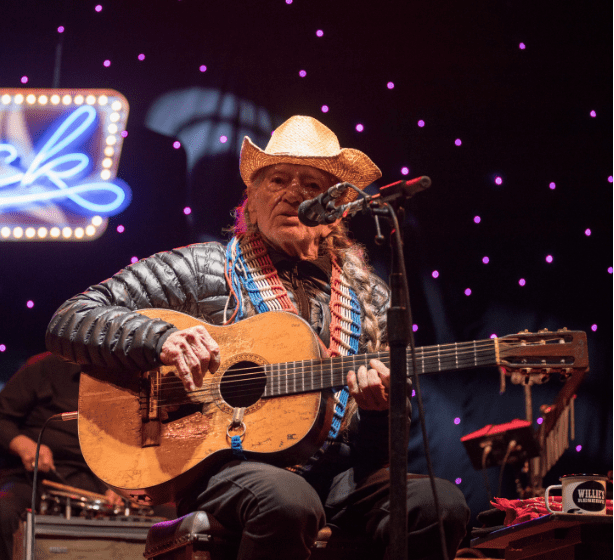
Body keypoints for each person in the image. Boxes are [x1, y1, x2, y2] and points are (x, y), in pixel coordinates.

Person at [46, 115, 470, 559]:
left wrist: (380, 411)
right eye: (277, 179)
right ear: (251, 194)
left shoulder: (372, 296)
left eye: (311, 185)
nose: (291, 194)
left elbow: (382, 447)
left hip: (340, 473)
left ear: (338, 207)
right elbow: (70, 318)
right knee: (287, 500)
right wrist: (161, 338)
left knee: (439, 505)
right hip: (230, 468)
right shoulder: (199, 268)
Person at [0, 352, 110, 560]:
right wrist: (25, 446)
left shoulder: (131, 379)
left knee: (168, 523)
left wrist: (126, 485)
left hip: (99, 483)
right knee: (4, 511)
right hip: (34, 478)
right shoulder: (46, 366)